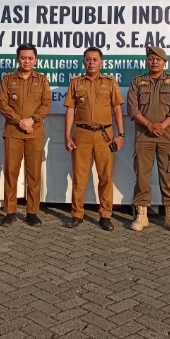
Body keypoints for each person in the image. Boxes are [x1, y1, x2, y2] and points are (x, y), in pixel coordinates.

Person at [64, 47, 125, 231]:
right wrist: (67, 135)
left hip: (104, 134)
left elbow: (117, 109)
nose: (91, 63)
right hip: (81, 133)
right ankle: (77, 213)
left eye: (95, 59)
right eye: (88, 59)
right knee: (79, 176)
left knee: (105, 176)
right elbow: (70, 109)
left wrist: (121, 135)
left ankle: (105, 215)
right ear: (84, 62)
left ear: (101, 62)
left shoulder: (110, 82)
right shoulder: (76, 82)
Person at [126, 46, 170, 233]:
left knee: (168, 176)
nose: (154, 62)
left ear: (164, 62)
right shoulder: (137, 82)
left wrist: (162, 125)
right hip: (144, 136)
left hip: (166, 136)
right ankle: (142, 214)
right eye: (151, 58)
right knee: (142, 176)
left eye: (158, 59)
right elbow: (132, 109)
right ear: (147, 61)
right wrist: (149, 125)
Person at [0, 44, 51, 227]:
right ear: (17, 59)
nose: (26, 61)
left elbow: (46, 104)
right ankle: (10, 211)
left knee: (34, 174)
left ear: (35, 60)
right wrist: (21, 121)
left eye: (30, 58)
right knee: (11, 172)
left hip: (35, 133)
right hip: (13, 132)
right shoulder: (8, 79)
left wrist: (32, 120)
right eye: (23, 57)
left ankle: (32, 212)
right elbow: (2, 104)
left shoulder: (42, 80)